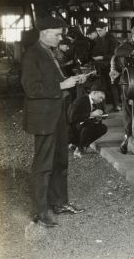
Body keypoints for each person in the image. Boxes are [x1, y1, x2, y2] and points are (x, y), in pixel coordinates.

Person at [22, 16, 86, 228]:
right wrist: (61, 86)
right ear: (44, 33)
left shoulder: (50, 52)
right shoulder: (32, 55)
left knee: (61, 161)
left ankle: (59, 203)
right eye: (57, 34)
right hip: (44, 117)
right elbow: (32, 89)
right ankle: (40, 212)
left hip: (57, 114)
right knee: (43, 165)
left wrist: (72, 81)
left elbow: (52, 80)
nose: (61, 38)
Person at [68, 84, 108, 158]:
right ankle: (79, 148)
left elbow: (88, 118)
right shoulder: (81, 100)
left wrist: (97, 118)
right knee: (88, 127)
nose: (101, 100)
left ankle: (79, 146)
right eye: (100, 97)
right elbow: (71, 118)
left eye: (102, 99)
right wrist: (91, 114)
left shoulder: (94, 103)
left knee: (103, 128)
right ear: (94, 93)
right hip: (71, 129)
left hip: (81, 127)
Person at [91, 21, 120, 111]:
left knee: (112, 86)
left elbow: (115, 54)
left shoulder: (112, 39)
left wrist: (102, 57)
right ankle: (103, 108)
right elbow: (95, 51)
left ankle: (117, 105)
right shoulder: (98, 39)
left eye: (100, 31)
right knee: (103, 86)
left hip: (112, 65)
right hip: (102, 66)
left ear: (105, 29)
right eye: (97, 31)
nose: (98, 33)